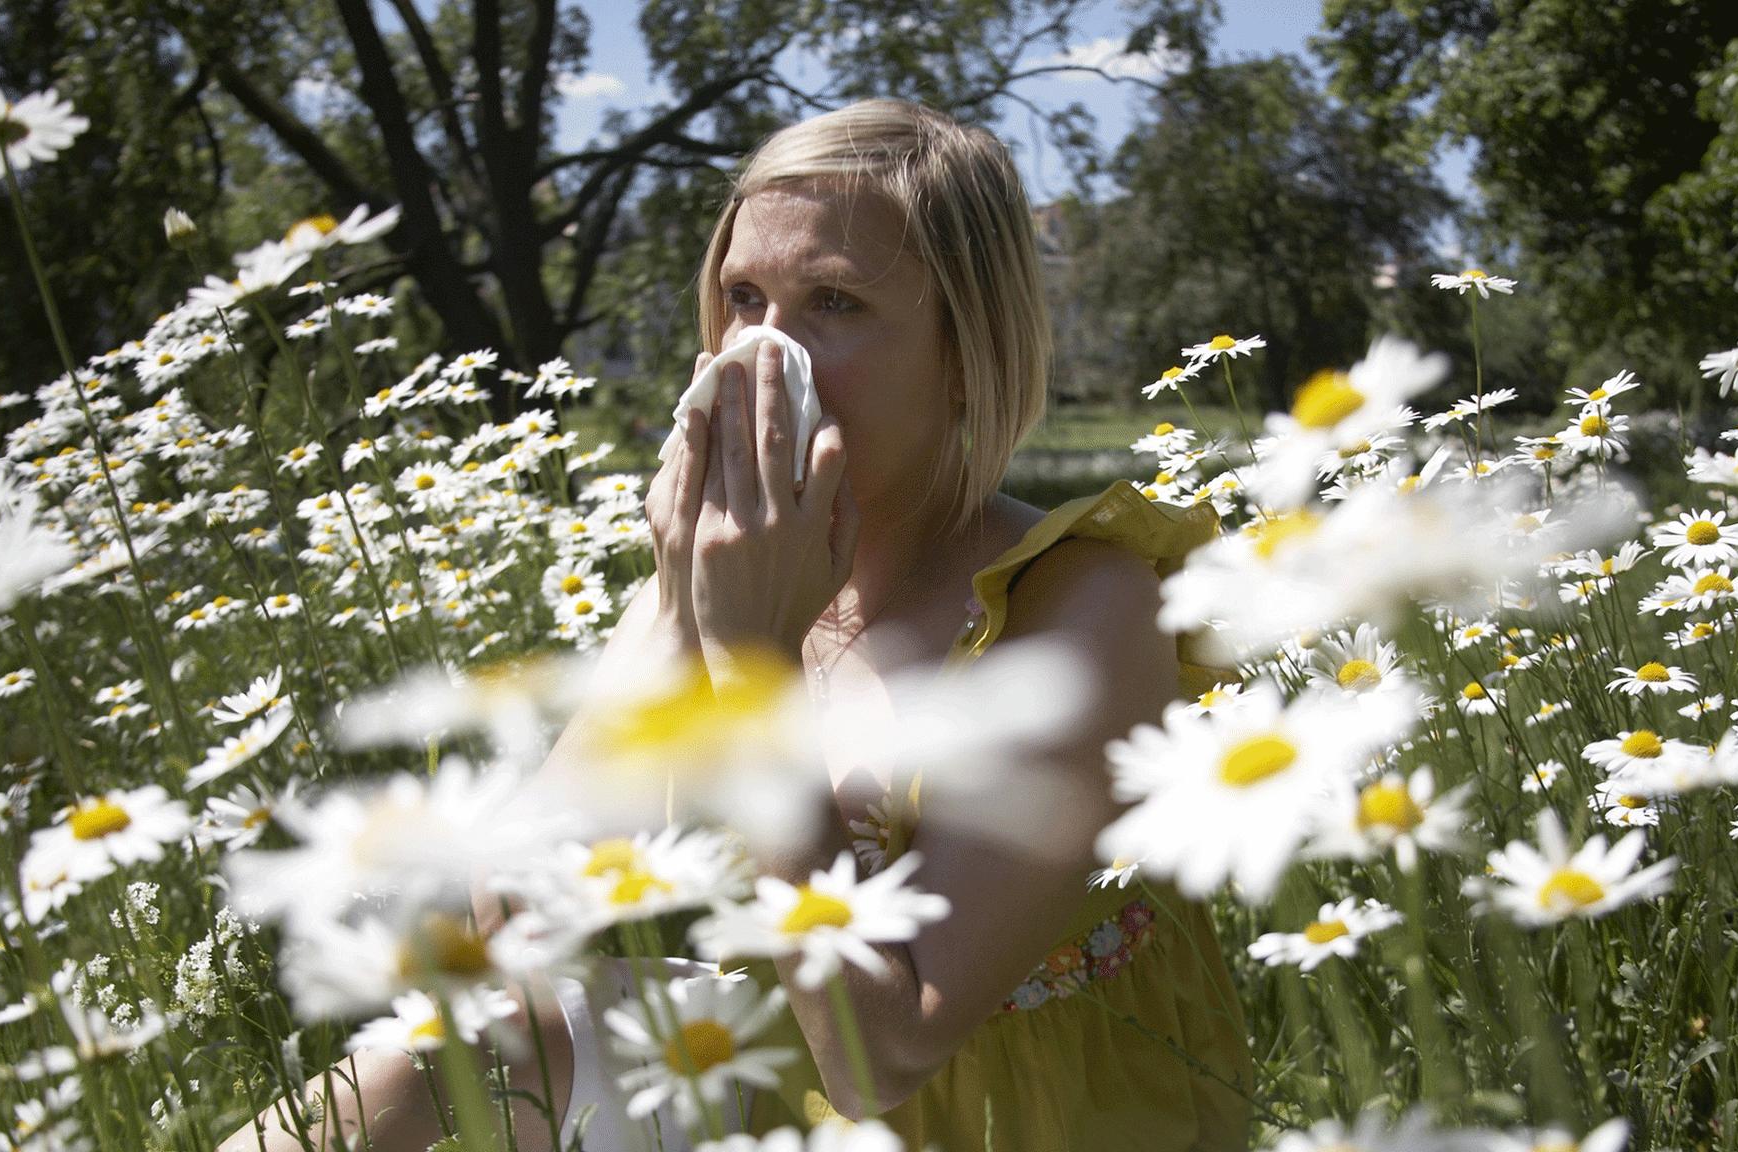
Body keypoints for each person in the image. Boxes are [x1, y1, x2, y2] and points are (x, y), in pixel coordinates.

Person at [223, 97, 1253, 1152]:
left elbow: (880, 1060)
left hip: (1025, 1124)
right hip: (778, 1103)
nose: (761, 356)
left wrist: (758, 677)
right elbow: (509, 936)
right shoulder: (732, 581)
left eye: (835, 304)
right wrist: (679, 606)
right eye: (743, 296)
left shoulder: (1080, 602)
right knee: (458, 1044)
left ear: (962, 349)